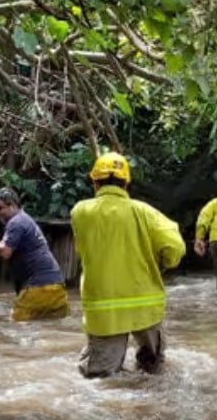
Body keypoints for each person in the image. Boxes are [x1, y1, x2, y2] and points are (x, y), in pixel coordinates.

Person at [71, 152, 186, 378]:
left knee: (101, 377)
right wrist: (162, 265)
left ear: (94, 182)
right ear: (126, 183)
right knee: (153, 367)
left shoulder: (80, 211)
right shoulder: (145, 212)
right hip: (145, 303)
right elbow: (175, 248)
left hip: (103, 308)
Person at [0, 188, 68, 321]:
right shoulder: (25, 219)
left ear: (12, 205)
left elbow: (5, 252)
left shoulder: (16, 222)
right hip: (56, 287)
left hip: (38, 288)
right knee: (53, 326)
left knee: (16, 326)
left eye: (0, 208)